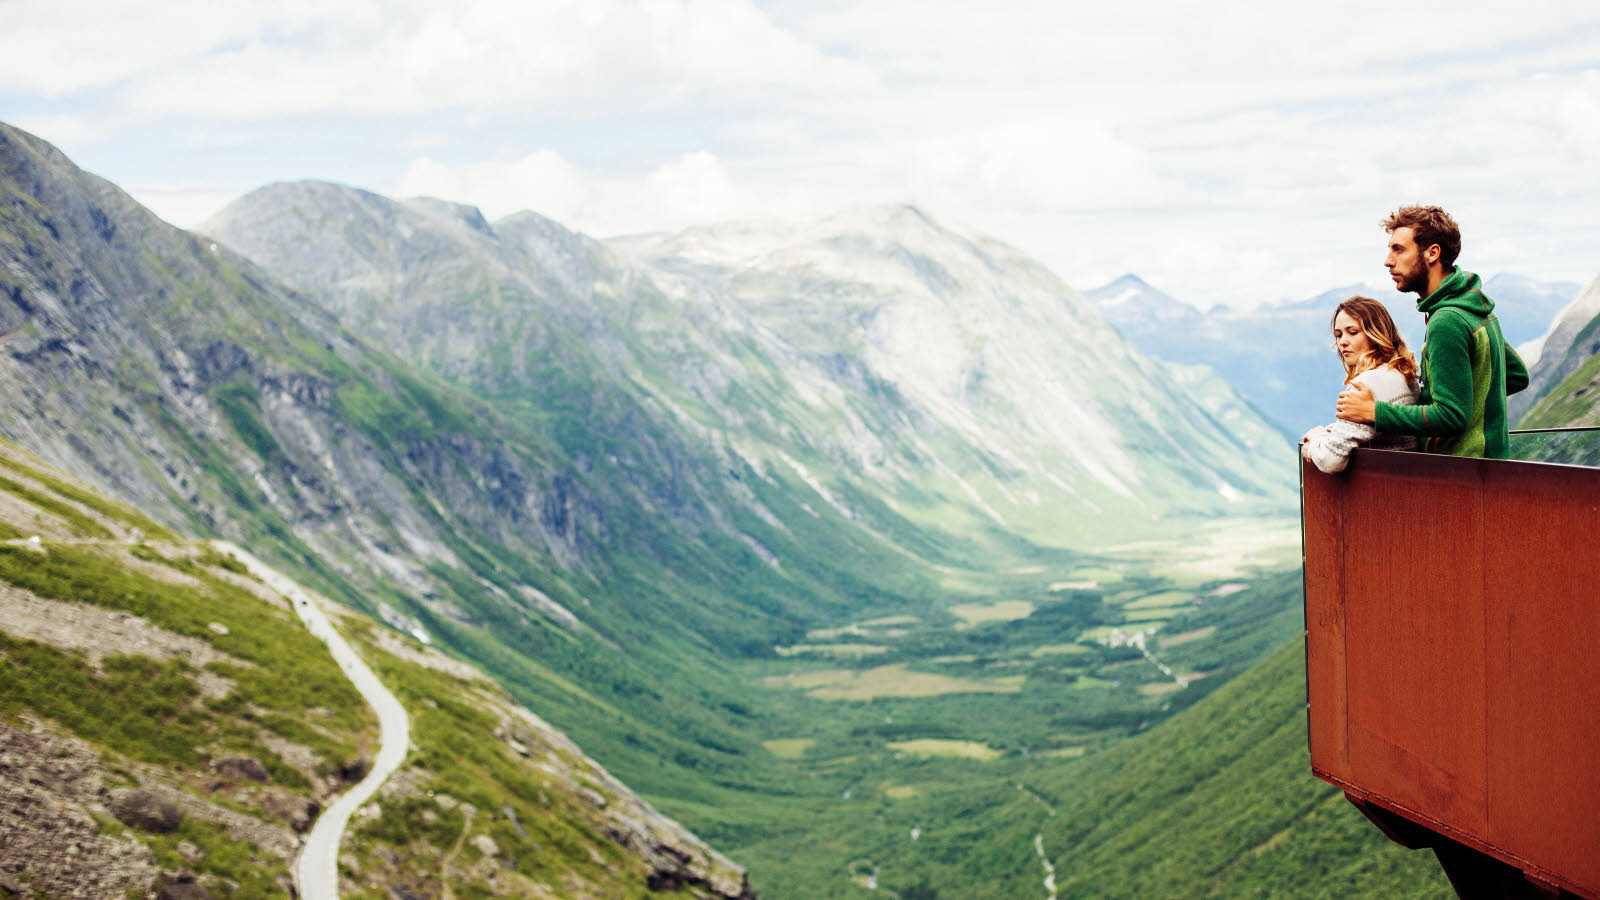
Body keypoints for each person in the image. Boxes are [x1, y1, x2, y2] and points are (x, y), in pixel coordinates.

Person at [1335, 205, 1528, 457]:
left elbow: (1451, 416)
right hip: (1492, 464)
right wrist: (1472, 408)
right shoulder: (1474, 307)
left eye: (1399, 249)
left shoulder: (1447, 321)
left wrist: (1375, 412)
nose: (1388, 261)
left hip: (1461, 470)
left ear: (1432, 253)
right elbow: (1516, 374)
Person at [1301, 297, 1420, 473]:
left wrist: (1314, 443)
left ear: (1376, 334)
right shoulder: (1404, 375)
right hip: (1407, 478)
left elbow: (1331, 459)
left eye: (1353, 332)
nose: (1342, 342)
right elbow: (1362, 430)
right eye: (1339, 335)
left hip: (1379, 483)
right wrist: (1332, 432)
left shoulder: (1366, 384)